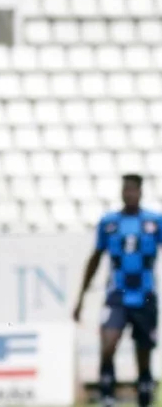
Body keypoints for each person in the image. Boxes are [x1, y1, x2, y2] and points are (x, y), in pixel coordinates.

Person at [74, 174, 162, 407]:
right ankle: (107, 397)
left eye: (134, 190)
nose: (129, 194)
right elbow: (95, 257)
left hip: (145, 294)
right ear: (121, 192)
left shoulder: (154, 222)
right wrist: (81, 298)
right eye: (126, 190)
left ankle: (144, 394)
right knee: (108, 344)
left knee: (144, 352)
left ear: (141, 192)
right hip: (117, 294)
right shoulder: (109, 223)